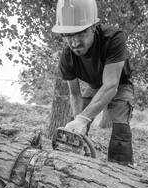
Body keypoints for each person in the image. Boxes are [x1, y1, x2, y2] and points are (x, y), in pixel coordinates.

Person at [51, 0, 134, 165]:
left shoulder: (114, 38)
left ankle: (122, 170)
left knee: (120, 126)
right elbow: (75, 93)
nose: (74, 43)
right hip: (94, 86)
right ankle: (72, 159)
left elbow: (111, 85)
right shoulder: (67, 57)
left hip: (119, 83)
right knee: (74, 121)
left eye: (80, 33)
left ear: (94, 27)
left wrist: (83, 119)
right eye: (68, 35)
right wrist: (78, 121)